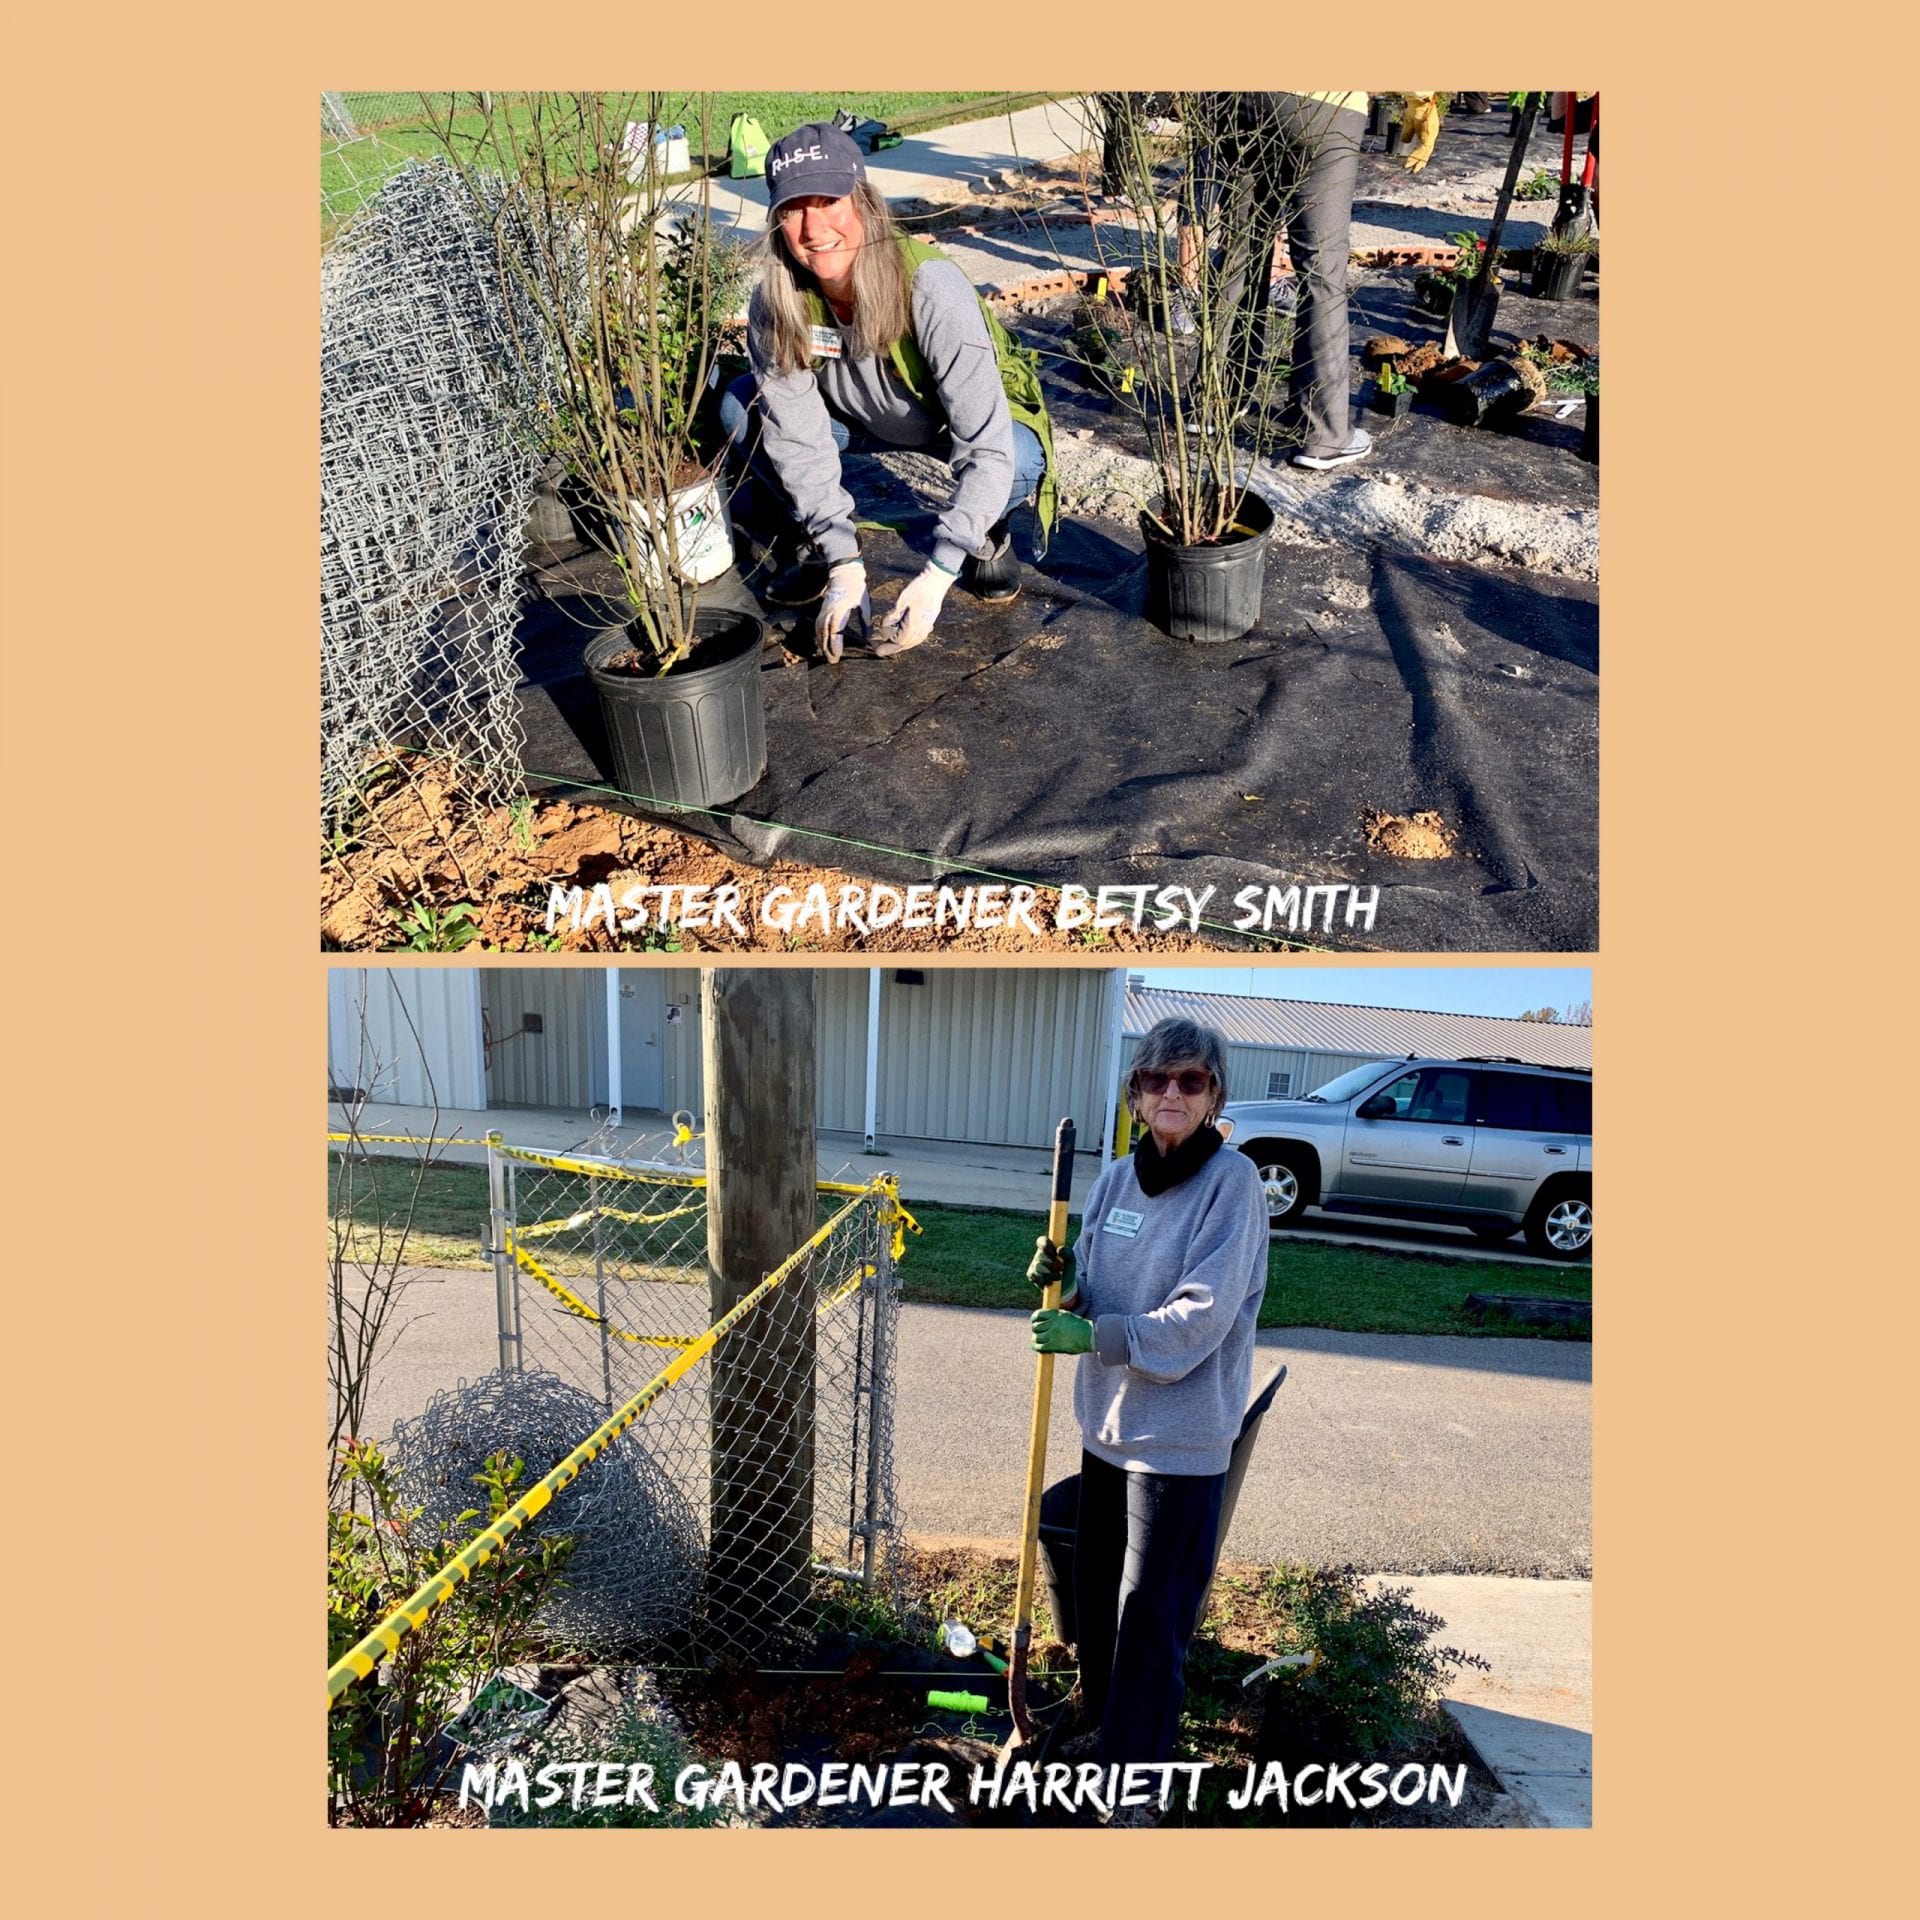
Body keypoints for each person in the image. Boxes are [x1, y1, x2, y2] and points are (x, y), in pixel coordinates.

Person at [1025, 1016, 1270, 1813]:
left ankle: (1138, 1786)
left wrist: (1091, 1331)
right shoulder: (1115, 1180)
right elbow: (1091, 1291)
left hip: (1179, 1440)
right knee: (1098, 1604)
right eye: (1157, 1080)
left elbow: (1199, 1319)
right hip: (1107, 1426)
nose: (1172, 1092)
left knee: (1148, 1619)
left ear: (1213, 1096)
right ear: (1134, 1095)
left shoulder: (1231, 1185)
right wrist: (1063, 1287)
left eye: (1191, 1080)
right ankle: (1106, 1733)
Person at [720, 121, 1057, 659]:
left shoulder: (931, 287)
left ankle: (988, 530)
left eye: (829, 201)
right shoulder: (777, 305)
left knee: (1015, 457)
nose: (813, 228)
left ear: (865, 202)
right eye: (793, 209)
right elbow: (798, 439)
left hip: (949, 427)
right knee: (742, 408)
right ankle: (811, 542)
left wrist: (938, 574)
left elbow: (987, 445)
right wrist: (842, 558)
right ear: (777, 221)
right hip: (855, 421)